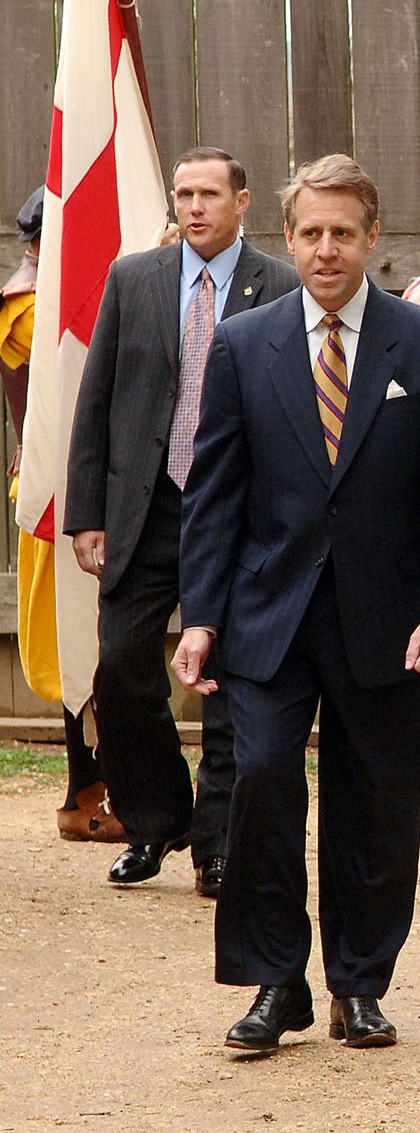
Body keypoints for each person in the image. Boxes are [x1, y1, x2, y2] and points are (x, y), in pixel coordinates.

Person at [173, 153, 420, 1052]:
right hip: (266, 616)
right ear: (288, 237)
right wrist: (201, 616)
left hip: (391, 622)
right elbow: (215, 493)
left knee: (377, 801)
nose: (325, 250)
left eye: (342, 233)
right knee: (265, 783)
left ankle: (358, 982)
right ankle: (277, 981)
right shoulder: (244, 344)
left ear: (372, 238)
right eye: (309, 233)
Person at [65, 148, 300, 895]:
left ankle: (219, 842)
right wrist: (85, 513)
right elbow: (96, 396)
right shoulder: (134, 279)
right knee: (123, 666)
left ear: (243, 202)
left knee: (230, 680)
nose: (194, 206)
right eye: (183, 194)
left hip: (239, 512)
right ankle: (156, 817)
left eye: (209, 194)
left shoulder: (282, 287)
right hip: (145, 507)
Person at [6, 190, 122, 842]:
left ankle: (97, 784)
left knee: (107, 637)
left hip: (92, 485)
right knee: (78, 638)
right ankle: (86, 790)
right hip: (59, 491)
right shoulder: (27, 306)